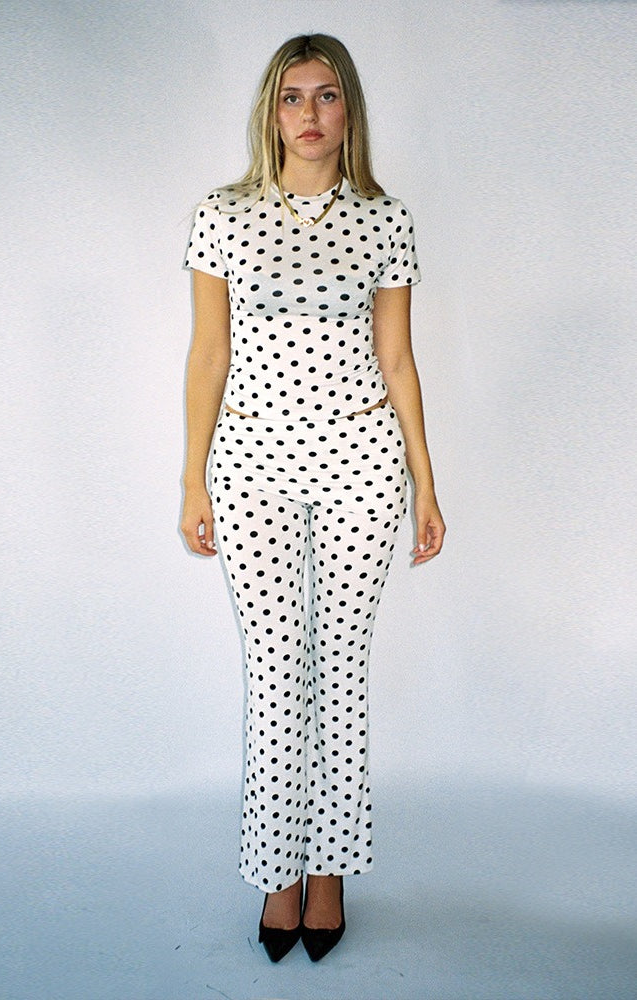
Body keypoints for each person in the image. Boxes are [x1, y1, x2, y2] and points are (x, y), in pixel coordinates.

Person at [180, 33, 445, 963]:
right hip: (252, 464)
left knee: (339, 667)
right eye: (292, 96)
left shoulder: (385, 218)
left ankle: (328, 871)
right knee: (274, 670)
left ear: (348, 110)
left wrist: (425, 482)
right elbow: (208, 353)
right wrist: (192, 476)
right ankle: (276, 873)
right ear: (271, 111)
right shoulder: (223, 215)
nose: (309, 113)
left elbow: (398, 357)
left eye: (326, 95)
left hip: (361, 463)